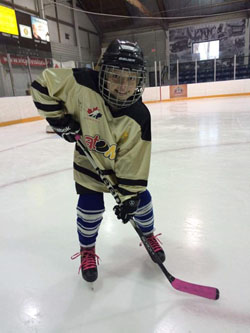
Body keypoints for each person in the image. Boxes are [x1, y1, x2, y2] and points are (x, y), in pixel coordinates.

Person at [31, 39, 165, 284]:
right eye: (115, 76)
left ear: (139, 80)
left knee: (142, 202)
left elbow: (134, 159)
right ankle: (87, 250)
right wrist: (60, 122)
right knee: (89, 208)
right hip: (88, 165)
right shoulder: (82, 84)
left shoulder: (139, 115)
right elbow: (43, 85)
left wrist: (129, 197)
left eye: (130, 78)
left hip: (118, 171)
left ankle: (148, 235)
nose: (123, 86)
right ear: (103, 72)